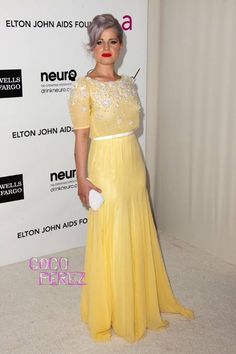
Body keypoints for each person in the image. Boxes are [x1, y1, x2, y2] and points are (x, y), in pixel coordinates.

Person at [68, 13, 195, 343]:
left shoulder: (128, 84)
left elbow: (132, 128)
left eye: (112, 41)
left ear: (121, 46)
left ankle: (136, 298)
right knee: (113, 233)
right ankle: (113, 307)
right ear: (91, 47)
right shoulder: (84, 87)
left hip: (133, 165)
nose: (106, 48)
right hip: (105, 166)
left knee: (135, 231)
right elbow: (82, 138)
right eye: (100, 42)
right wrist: (82, 180)